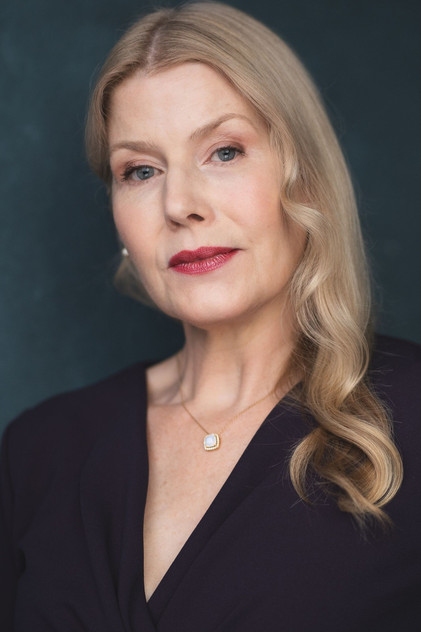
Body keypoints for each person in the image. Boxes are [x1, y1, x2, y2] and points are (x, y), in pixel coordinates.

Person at [1, 2, 420, 630]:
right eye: (140, 170)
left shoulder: (412, 413)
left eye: (224, 152)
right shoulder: (40, 448)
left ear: (304, 178)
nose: (179, 204)